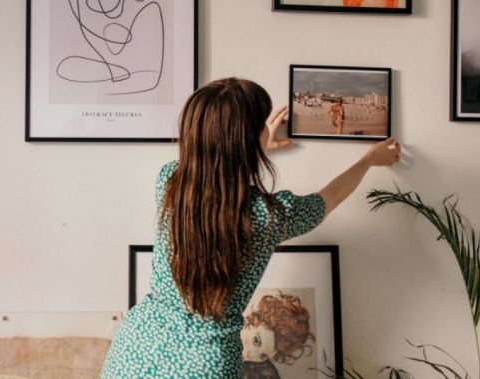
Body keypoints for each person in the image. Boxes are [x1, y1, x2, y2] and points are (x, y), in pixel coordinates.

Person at [99, 77, 401, 378]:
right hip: (205, 364)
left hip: (135, 348)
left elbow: (214, 176)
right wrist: (369, 159)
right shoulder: (270, 215)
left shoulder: (170, 182)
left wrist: (257, 146)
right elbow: (329, 199)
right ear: (246, 141)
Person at [241, 293, 315, 378]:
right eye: (256, 341)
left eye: (263, 356)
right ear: (252, 321)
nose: (252, 355)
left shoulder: (264, 375)